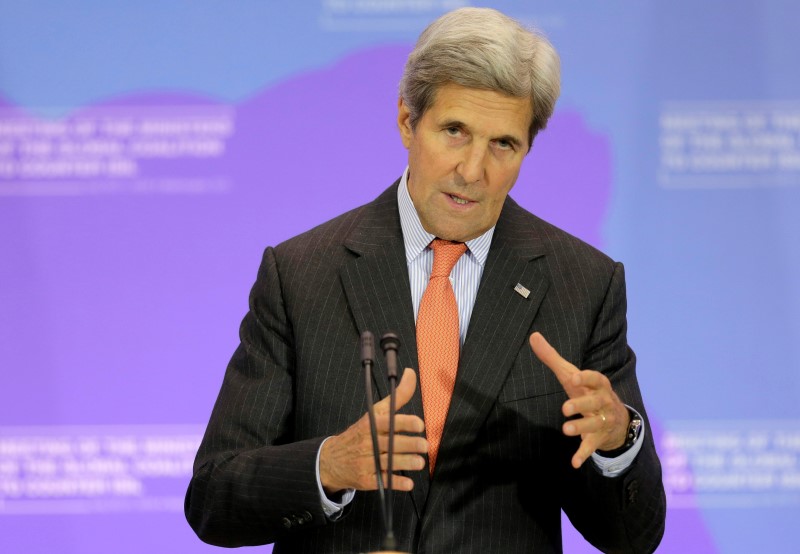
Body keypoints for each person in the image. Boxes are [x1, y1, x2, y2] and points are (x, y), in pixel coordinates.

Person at [185, 7, 666, 553]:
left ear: (527, 148)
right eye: (454, 131)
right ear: (407, 122)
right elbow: (213, 498)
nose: (472, 171)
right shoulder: (301, 274)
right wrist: (331, 466)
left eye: (503, 144)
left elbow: (634, 536)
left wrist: (618, 443)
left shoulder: (582, 283)